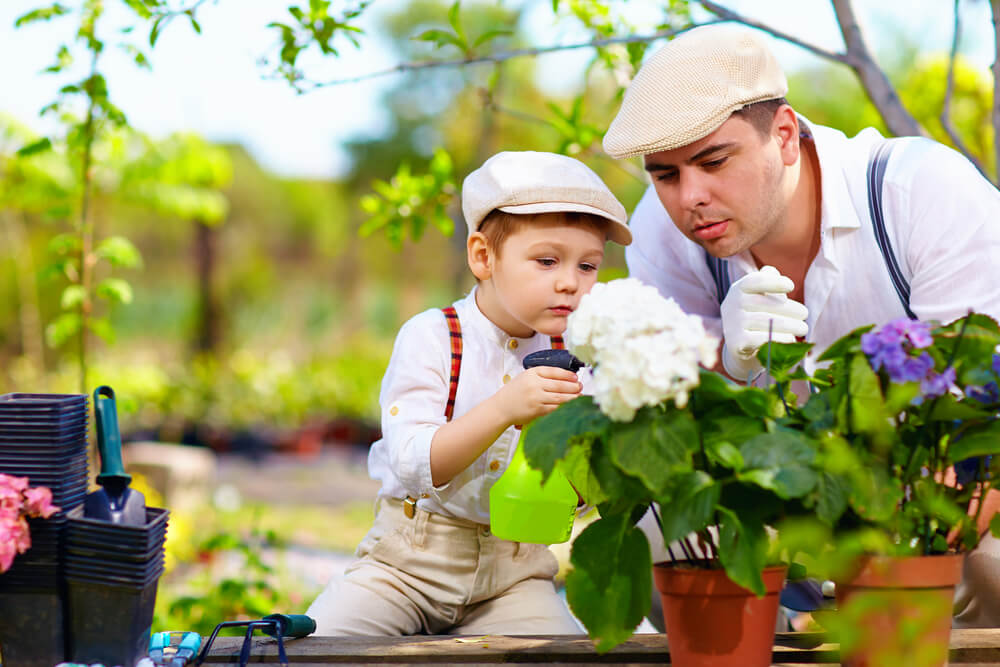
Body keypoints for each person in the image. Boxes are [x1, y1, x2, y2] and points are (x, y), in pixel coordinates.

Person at [602, 23, 1000, 627]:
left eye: (714, 161)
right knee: (655, 544)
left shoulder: (917, 191)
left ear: (784, 134)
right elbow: (668, 431)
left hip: (930, 513)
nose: (691, 198)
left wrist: (889, 540)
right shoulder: (665, 236)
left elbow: (984, 412)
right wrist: (722, 363)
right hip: (771, 511)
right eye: (666, 175)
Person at [306, 150, 632, 635]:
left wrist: (585, 438)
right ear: (483, 256)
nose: (570, 283)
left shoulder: (581, 353)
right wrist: (505, 407)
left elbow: (582, 498)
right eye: (546, 260)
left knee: (562, 655)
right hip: (407, 565)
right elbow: (416, 464)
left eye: (588, 266)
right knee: (322, 646)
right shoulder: (434, 336)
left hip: (515, 574)